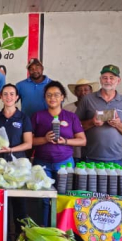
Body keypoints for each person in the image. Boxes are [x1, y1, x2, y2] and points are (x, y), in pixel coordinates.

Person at [30, 81, 86, 226]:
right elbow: (29, 142)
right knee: (43, 199)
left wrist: (65, 142)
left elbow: (82, 140)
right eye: (49, 95)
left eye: (56, 95)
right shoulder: (37, 116)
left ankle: (62, 231)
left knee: (64, 198)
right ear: (45, 98)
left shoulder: (71, 117)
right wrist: (44, 139)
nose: (52, 98)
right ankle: (44, 228)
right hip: (42, 164)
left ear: (62, 97)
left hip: (65, 163)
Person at [78, 65, 122, 164]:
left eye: (112, 78)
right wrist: (92, 122)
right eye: (105, 78)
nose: (108, 81)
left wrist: (118, 124)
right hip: (89, 157)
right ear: (100, 80)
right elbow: (75, 127)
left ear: (118, 81)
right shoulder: (87, 99)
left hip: (116, 159)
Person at [0, 84, 33, 161]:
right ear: (2, 98)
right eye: (5, 94)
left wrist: (10, 150)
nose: (8, 97)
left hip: (17, 161)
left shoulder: (24, 118)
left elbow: (28, 144)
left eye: (12, 94)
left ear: (17, 97)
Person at [65, 78, 98, 163]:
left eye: (86, 89)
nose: (83, 92)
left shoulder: (96, 108)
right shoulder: (67, 109)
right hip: (73, 152)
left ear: (91, 91)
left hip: (93, 153)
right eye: (79, 90)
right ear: (75, 92)